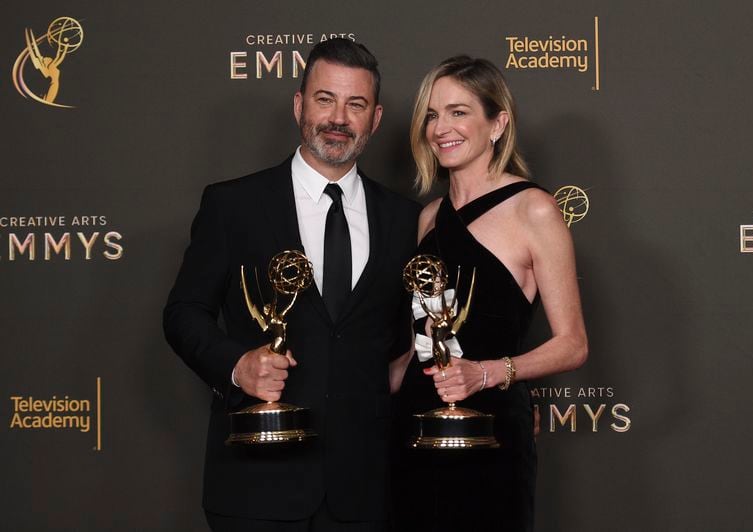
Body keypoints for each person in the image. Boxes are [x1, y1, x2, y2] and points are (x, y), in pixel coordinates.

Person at [164, 38, 419, 531]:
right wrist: (237, 365)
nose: (338, 118)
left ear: (377, 118)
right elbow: (183, 313)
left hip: (366, 494)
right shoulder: (233, 205)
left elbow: (423, 335)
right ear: (300, 104)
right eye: (325, 99)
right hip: (256, 487)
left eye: (356, 104)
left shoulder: (406, 220)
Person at [390, 56, 588, 532]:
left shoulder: (534, 210)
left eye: (459, 112)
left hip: (492, 431)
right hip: (415, 429)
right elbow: (420, 332)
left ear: (498, 123)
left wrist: (487, 373)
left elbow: (573, 344)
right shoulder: (428, 217)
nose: (441, 128)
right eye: (432, 115)